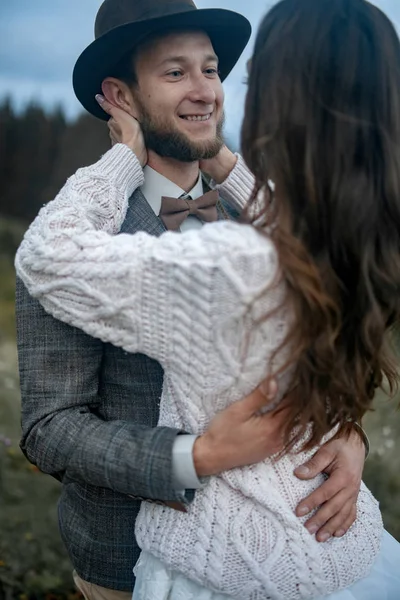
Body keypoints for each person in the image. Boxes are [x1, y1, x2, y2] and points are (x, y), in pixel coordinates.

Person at [15, 0, 372, 598]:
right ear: (121, 97)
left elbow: (319, 350)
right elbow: (49, 428)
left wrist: (348, 434)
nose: (206, 89)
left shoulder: (254, 212)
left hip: (286, 545)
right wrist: (195, 457)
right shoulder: (72, 241)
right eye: (176, 72)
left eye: (211, 68)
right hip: (127, 564)